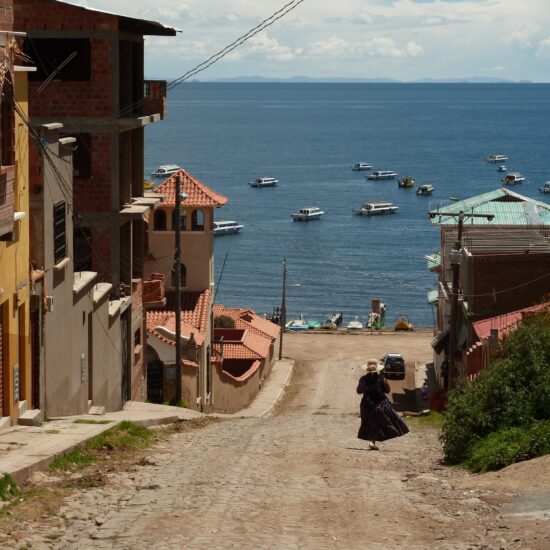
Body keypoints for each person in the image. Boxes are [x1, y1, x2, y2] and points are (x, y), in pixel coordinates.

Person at [357, 359, 409, 450]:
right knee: (388, 421)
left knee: (370, 423)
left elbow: (358, 391)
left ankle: (372, 441)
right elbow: (387, 390)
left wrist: (362, 384)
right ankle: (373, 441)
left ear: (367, 370)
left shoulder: (363, 379)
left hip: (367, 404)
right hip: (380, 405)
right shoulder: (381, 378)